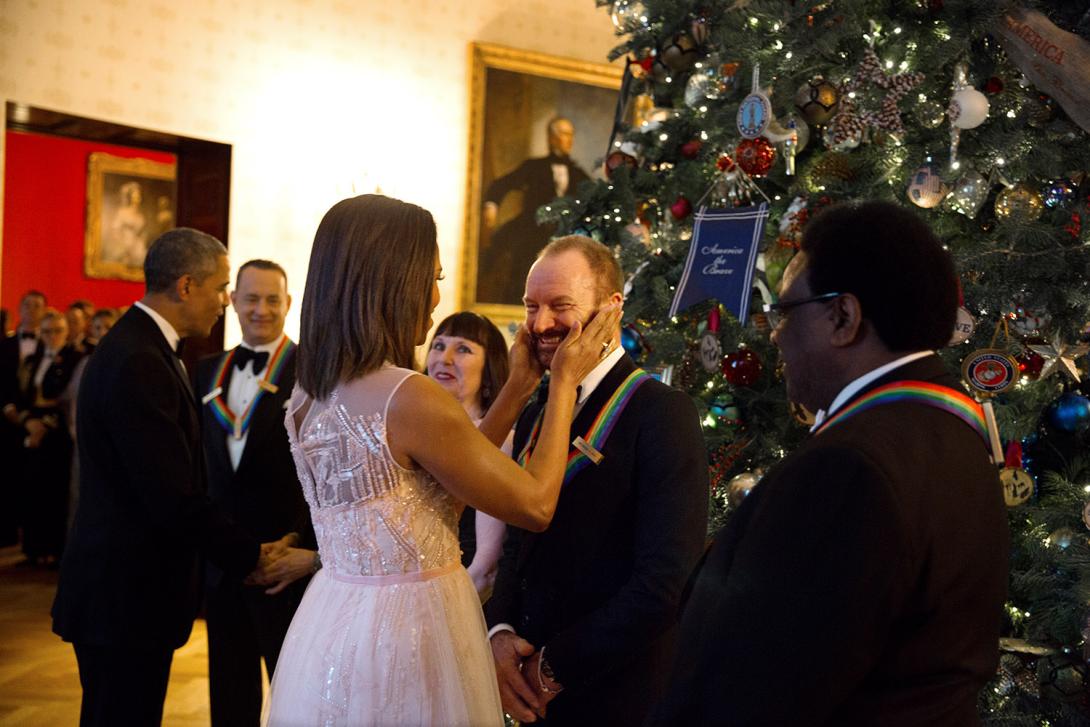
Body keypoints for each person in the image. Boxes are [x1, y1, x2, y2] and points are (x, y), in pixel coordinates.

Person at [650, 201, 1009, 726]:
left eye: (785, 312)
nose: (774, 334)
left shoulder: (846, 469)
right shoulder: (952, 433)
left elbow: (756, 688)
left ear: (843, 317)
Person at [263, 194, 617, 726]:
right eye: (431, 275)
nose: (435, 295)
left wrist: (518, 387)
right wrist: (563, 382)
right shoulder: (410, 397)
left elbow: (428, 507)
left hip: (334, 622)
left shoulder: (307, 396)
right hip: (409, 631)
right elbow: (536, 504)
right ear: (391, 282)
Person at [51, 228, 283, 727]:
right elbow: (171, 495)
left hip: (125, 596)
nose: (226, 302)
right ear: (185, 286)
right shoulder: (139, 359)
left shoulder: (144, 347)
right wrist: (250, 555)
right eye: (222, 287)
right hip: (124, 599)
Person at [485, 236, 709, 725]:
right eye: (531, 307)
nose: (541, 324)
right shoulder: (537, 413)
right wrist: (499, 633)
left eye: (560, 307)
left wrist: (552, 666)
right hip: (524, 687)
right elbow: (514, 545)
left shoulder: (661, 412)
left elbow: (666, 581)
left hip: (616, 691)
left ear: (612, 309)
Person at [196, 259, 315, 727]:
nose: (261, 309)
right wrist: (222, 546)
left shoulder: (313, 370)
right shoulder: (204, 371)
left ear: (288, 304)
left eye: (272, 300)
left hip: (288, 563)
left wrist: (298, 541)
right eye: (251, 298)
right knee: (229, 696)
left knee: (295, 695)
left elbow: (326, 468)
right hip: (225, 564)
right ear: (233, 302)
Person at [425, 311, 511, 598]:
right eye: (438, 345)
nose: (444, 358)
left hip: (458, 599)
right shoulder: (417, 430)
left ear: (489, 369)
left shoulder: (498, 441)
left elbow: (485, 565)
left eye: (463, 349)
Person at [479, 116, 590, 304]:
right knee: (509, 259)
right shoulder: (534, 167)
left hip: (563, 236)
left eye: (571, 134)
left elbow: (594, 201)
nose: (569, 139)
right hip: (531, 230)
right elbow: (501, 184)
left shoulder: (579, 174)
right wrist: (492, 205)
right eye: (564, 134)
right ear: (551, 137)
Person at [11, 308, 85, 565]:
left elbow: (64, 400)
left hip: (59, 435)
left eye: (58, 331)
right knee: (33, 489)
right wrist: (28, 421)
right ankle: (34, 547)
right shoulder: (32, 361)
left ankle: (54, 549)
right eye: (47, 331)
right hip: (31, 431)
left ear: (68, 332)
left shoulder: (76, 359)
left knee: (55, 493)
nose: (52, 336)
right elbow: (23, 395)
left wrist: (44, 424)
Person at [0, 290, 48, 546]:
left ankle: (32, 539)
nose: (31, 310)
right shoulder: (4, 344)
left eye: (37, 306)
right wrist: (9, 409)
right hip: (6, 423)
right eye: (27, 305)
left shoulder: (50, 346)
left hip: (38, 424)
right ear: (19, 308)